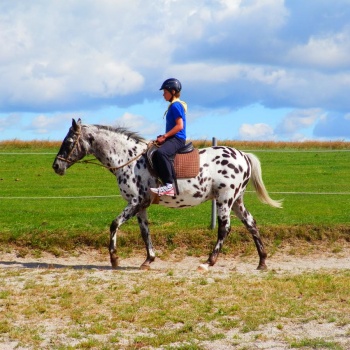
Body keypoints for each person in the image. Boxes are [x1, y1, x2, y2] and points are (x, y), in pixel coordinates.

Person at [150, 78, 187, 196]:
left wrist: (165, 136)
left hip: (178, 139)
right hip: (172, 138)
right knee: (155, 153)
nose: (163, 95)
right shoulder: (173, 105)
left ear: (173, 92)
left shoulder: (176, 105)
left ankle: (169, 186)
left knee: (161, 153)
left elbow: (180, 126)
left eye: (165, 92)